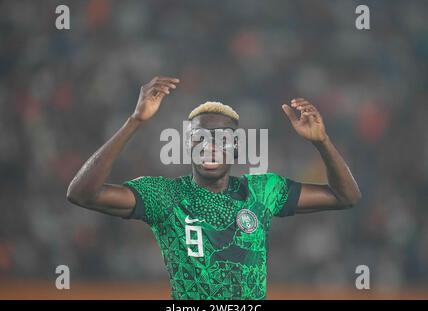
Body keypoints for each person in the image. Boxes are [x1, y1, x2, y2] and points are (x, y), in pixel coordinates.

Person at [67, 75, 361, 299]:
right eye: (200, 138)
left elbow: (346, 196)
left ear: (236, 147)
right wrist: (135, 120)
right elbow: (83, 193)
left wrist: (321, 141)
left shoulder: (262, 191)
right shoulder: (166, 196)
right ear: (188, 145)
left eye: (222, 138)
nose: (210, 145)